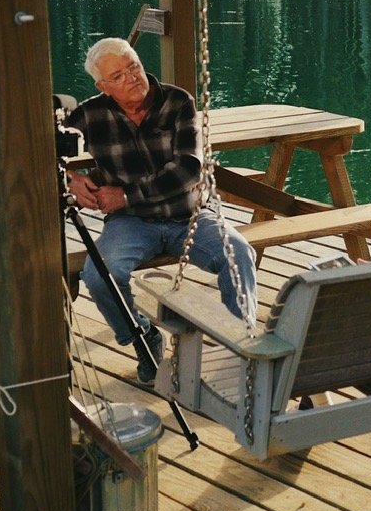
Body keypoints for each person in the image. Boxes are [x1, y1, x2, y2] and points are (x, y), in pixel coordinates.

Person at [64, 36, 255, 386]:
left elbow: (188, 170)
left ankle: (239, 348)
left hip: (191, 214)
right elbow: (40, 151)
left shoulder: (178, 101)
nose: (132, 78)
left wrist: (125, 196)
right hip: (132, 224)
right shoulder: (90, 114)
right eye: (118, 76)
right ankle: (143, 337)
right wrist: (70, 179)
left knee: (239, 254)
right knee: (98, 276)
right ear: (102, 86)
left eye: (133, 66)